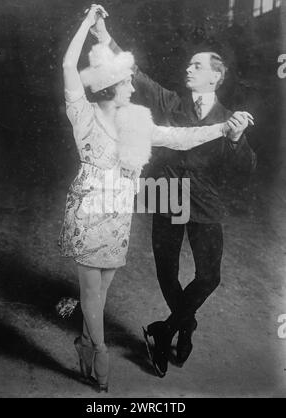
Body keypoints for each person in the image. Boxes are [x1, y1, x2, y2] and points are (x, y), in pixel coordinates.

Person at [58, 5, 254, 391]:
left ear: (216, 76)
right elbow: (126, 75)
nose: (189, 69)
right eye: (190, 65)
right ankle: (123, 342)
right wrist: (99, 34)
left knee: (204, 277)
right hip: (145, 200)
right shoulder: (161, 104)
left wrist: (230, 134)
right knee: (148, 277)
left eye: (197, 66)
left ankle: (165, 329)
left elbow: (226, 158)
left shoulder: (222, 118)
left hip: (185, 207)